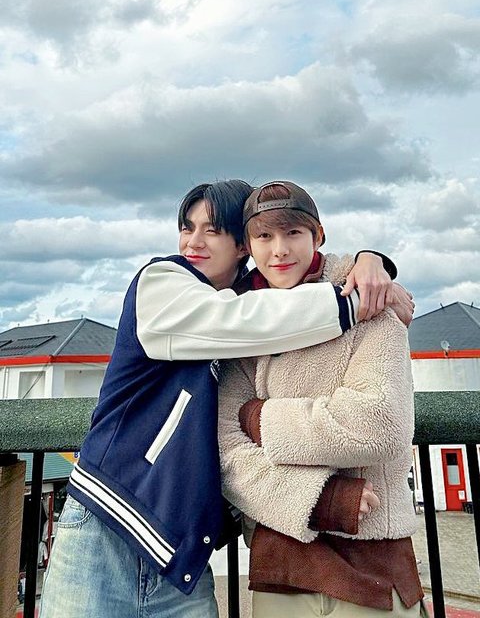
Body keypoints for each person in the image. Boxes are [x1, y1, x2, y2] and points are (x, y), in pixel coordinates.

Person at [39, 179, 410, 618]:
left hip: (181, 549)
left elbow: (265, 310)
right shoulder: (161, 283)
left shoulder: (249, 303)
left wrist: (369, 264)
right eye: (187, 228)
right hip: (108, 519)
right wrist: (356, 297)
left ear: (240, 246)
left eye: (212, 230)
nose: (192, 242)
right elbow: (242, 320)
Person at [218, 181, 424, 617]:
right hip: (280, 560)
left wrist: (258, 418)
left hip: (374, 560)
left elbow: (379, 424)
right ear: (248, 247)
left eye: (293, 232)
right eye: (264, 236)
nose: (279, 250)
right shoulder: (241, 323)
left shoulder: (369, 303)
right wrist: (323, 498)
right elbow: (226, 451)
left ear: (318, 235)